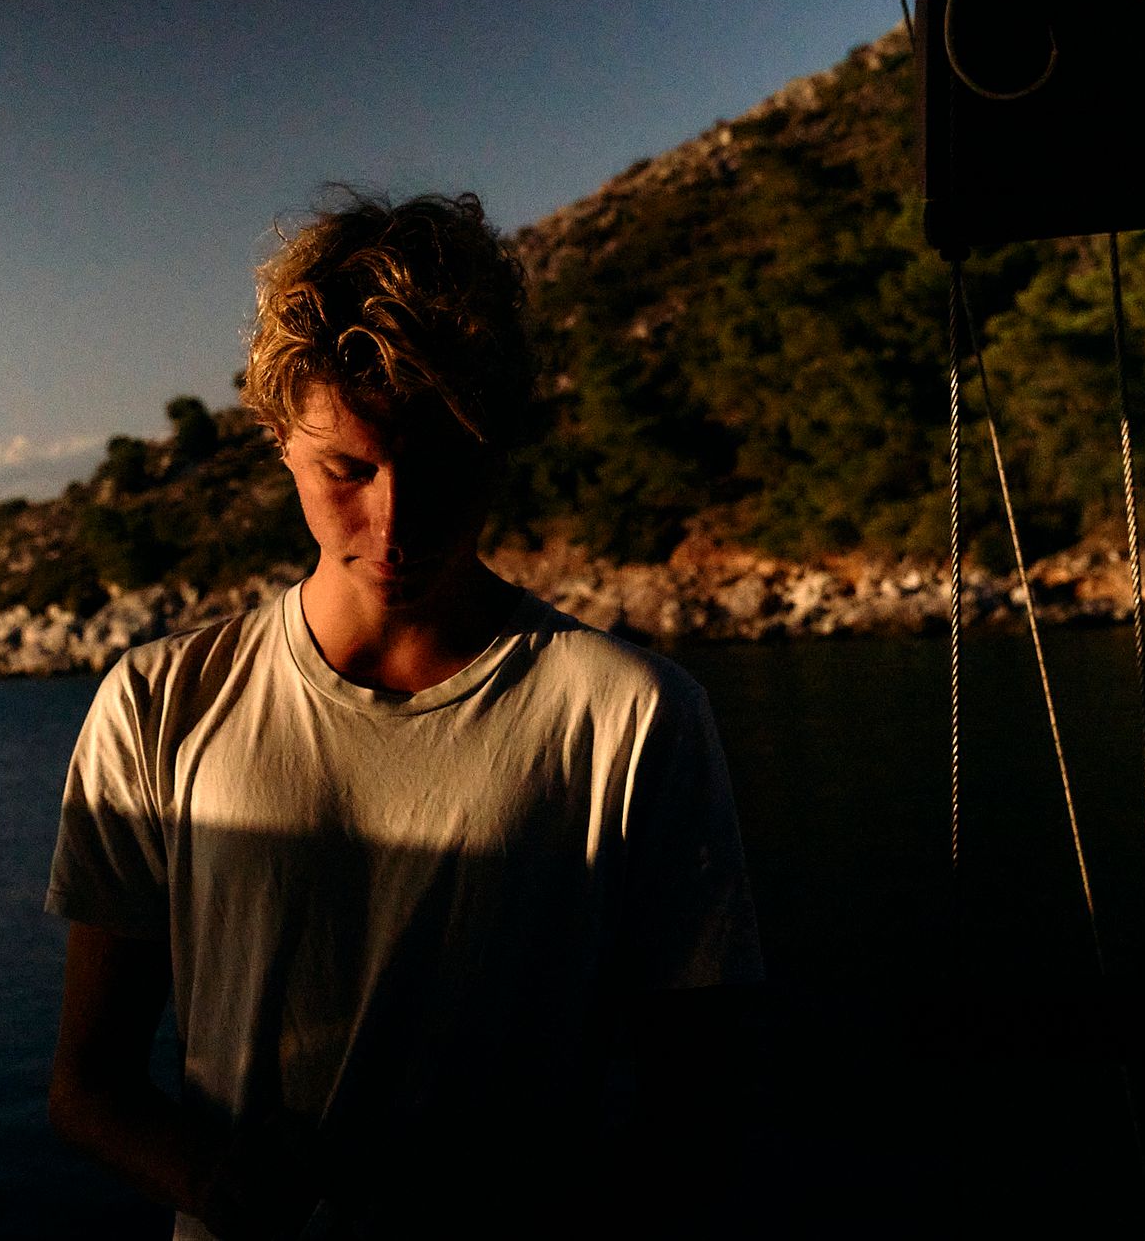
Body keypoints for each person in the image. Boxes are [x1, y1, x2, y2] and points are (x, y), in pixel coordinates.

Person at [44, 192, 761, 1239]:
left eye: (442, 467)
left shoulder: (633, 721)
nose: (395, 519)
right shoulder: (157, 705)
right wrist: (210, 1179)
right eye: (347, 469)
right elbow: (84, 1088)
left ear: (500, 441)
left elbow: (700, 1118)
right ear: (275, 434)